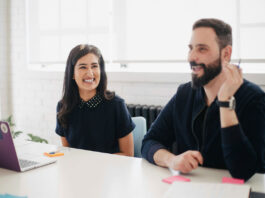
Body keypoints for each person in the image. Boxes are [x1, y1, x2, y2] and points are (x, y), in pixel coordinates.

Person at [141, 18, 265, 180]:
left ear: (226, 53)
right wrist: (172, 160)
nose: (192, 57)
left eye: (202, 49)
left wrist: (226, 102)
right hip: (190, 187)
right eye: (191, 48)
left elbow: (243, 171)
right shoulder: (184, 93)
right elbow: (149, 142)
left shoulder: (254, 99)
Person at [56, 44, 135, 156]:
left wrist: (93, 165)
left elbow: (128, 154)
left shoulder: (116, 105)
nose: (90, 73)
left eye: (94, 66)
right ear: (72, 74)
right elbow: (68, 152)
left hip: (111, 170)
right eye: (83, 67)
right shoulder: (63, 107)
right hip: (78, 170)